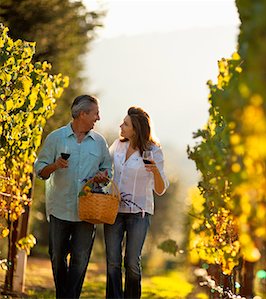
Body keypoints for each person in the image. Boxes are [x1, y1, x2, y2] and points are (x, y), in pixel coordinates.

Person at [34, 95, 112, 298]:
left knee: (80, 258)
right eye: (95, 113)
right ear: (82, 114)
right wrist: (55, 165)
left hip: (87, 212)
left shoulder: (99, 143)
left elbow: (107, 173)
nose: (99, 118)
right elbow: (40, 170)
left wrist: (102, 177)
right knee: (57, 256)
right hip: (59, 208)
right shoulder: (56, 138)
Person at [105, 106, 169, 298]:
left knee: (132, 261)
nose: (121, 126)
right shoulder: (117, 145)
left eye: (126, 124)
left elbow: (160, 189)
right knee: (113, 261)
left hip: (139, 213)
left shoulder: (153, 151)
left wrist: (156, 171)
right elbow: (106, 169)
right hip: (114, 210)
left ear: (136, 128)